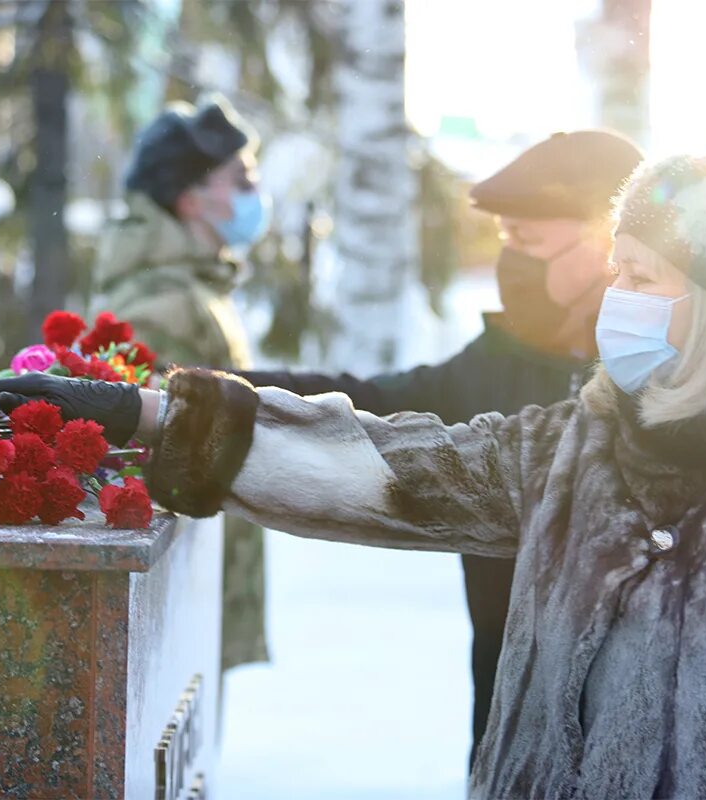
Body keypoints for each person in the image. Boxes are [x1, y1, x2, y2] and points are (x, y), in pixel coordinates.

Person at [0, 149, 706, 797]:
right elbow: (392, 466)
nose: (613, 302)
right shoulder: (584, 442)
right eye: (615, 267)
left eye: (643, 278)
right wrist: (151, 412)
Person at [235, 130, 644, 764]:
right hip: (512, 725)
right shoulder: (491, 367)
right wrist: (196, 391)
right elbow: (360, 402)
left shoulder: (661, 371)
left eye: (528, 243)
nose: (512, 264)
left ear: (605, 243)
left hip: (640, 727)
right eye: (505, 241)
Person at [90, 96, 270, 671]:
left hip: (203, 583)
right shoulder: (161, 302)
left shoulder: (196, 290)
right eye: (240, 178)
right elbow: (163, 459)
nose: (254, 192)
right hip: (179, 598)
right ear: (190, 199)